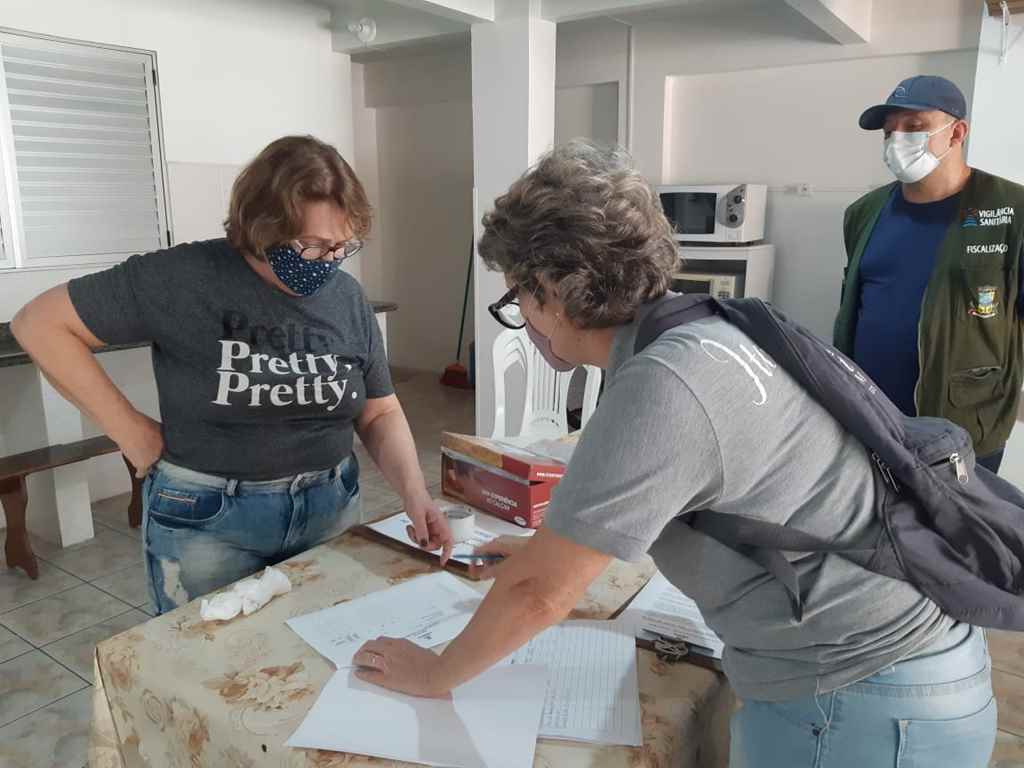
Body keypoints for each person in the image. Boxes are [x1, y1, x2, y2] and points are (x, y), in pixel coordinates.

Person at [350, 141, 996, 768]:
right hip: (903, 675)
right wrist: (550, 550)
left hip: (860, 699)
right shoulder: (716, 327)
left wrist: (436, 672)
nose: (518, 309)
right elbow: (689, 492)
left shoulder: (665, 383)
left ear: (553, 287)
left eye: (517, 292)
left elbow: (537, 596)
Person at [12, 135, 452, 614]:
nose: (328, 262)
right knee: (207, 665)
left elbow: (379, 410)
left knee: (321, 656)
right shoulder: (183, 276)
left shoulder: (346, 298)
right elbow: (38, 324)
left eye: (342, 247)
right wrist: (131, 433)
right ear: (262, 228)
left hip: (330, 506)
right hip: (210, 520)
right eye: (311, 246)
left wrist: (415, 494)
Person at [833, 75, 1024, 475]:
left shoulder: (1012, 212)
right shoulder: (863, 213)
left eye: (914, 126)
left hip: (964, 427)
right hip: (869, 419)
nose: (897, 140)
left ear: (956, 132)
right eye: (889, 131)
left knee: (956, 535)